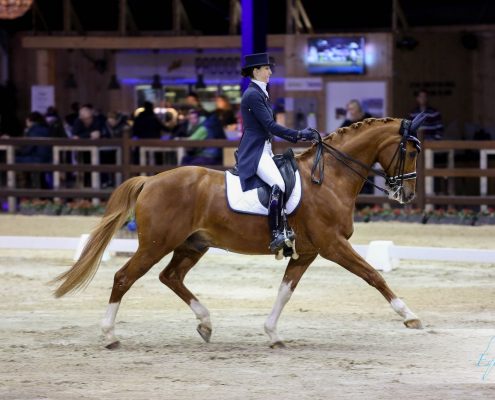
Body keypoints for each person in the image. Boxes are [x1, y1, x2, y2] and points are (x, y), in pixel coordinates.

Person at [237, 52, 316, 253]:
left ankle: (285, 227)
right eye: (266, 68)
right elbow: (270, 125)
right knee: (278, 183)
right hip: (255, 152)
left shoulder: (260, 92)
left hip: (265, 149)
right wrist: (299, 134)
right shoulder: (253, 94)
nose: (270, 72)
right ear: (256, 71)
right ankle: (276, 234)